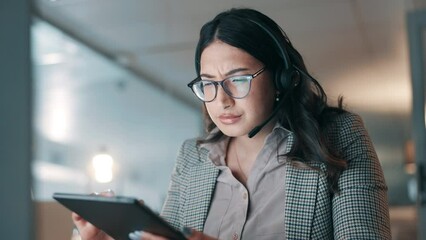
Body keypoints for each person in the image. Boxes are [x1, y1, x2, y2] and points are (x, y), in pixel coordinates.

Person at [73, 8, 391, 240]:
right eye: (208, 83)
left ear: (281, 78)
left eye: (237, 80)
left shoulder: (340, 135)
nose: (221, 100)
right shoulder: (192, 158)